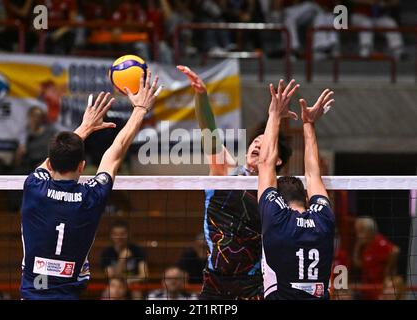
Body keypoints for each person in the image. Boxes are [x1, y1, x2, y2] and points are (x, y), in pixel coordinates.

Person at [20, 71, 159, 300]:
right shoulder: (92, 195)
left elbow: (51, 160)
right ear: (82, 166)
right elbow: (115, 152)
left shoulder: (34, 186)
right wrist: (140, 110)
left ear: (51, 165)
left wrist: (83, 128)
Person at [177, 65, 292, 299]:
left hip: (254, 284)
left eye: (265, 142)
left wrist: (276, 118)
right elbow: (209, 135)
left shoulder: (277, 194)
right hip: (215, 282)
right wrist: (201, 97)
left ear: (277, 158)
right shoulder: (226, 170)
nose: (257, 144)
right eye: (255, 141)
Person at [258, 79, 336, 299]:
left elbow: (265, 164)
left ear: (278, 200)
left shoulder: (276, 220)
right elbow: (313, 175)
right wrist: (309, 123)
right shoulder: (323, 220)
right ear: (305, 196)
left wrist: (274, 114)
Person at [352, 216, 400, 300]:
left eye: (361, 231)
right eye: (358, 231)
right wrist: (357, 246)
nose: (358, 235)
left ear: (369, 231)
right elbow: (358, 264)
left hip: (379, 289)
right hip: (367, 290)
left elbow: (395, 251)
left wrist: (388, 271)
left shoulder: (379, 242)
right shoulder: (365, 246)